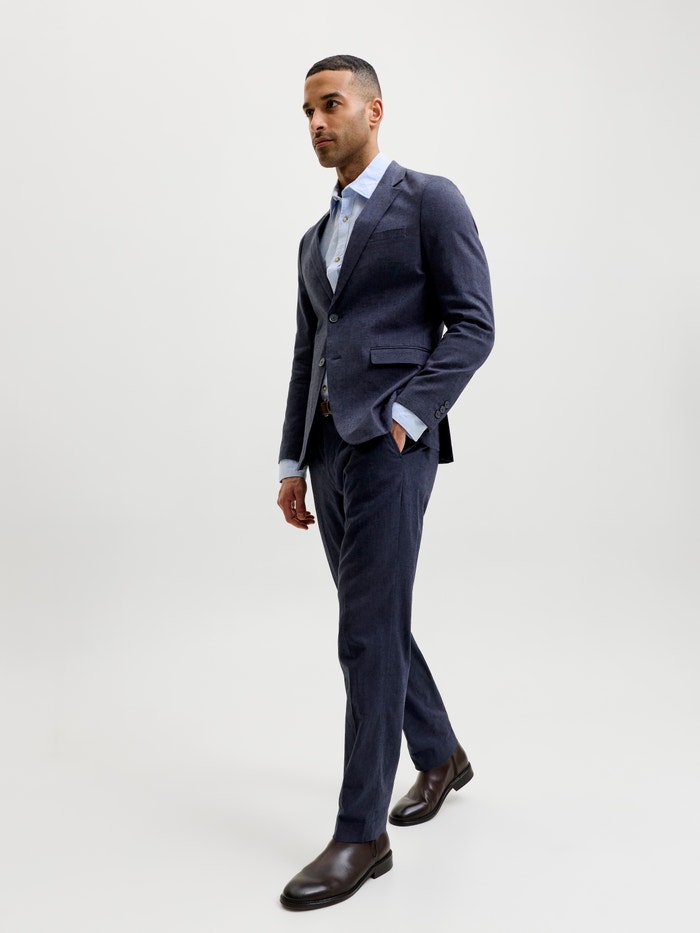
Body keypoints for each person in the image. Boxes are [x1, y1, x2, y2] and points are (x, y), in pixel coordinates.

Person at [276, 54, 494, 911]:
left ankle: (360, 833)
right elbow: (308, 354)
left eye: (330, 105)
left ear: (373, 110)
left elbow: (473, 325)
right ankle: (439, 753)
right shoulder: (313, 238)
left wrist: (408, 416)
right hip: (329, 452)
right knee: (375, 621)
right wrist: (292, 461)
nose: (316, 123)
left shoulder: (430, 200)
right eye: (306, 111)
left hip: (391, 451)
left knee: (363, 634)